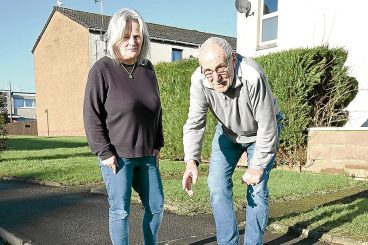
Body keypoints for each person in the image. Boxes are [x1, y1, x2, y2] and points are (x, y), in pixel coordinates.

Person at [182, 37, 283, 245]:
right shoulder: (199, 80)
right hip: (227, 132)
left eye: (221, 68)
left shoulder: (252, 76)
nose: (216, 78)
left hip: (260, 134)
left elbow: (267, 125)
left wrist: (257, 165)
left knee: (256, 189)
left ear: (233, 59)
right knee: (216, 186)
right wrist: (191, 161)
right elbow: (195, 122)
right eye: (208, 71)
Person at [83, 8, 164, 245]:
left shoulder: (147, 69)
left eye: (137, 36)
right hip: (117, 157)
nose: (132, 41)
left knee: (156, 206)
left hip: (147, 155)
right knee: (120, 211)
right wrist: (104, 151)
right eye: (126, 36)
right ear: (116, 37)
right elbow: (91, 114)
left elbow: (156, 110)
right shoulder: (102, 69)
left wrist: (158, 143)